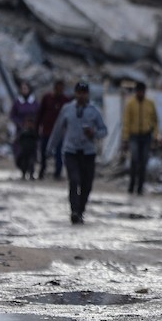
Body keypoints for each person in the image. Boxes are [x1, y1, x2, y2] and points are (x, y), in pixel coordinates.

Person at [47, 81, 107, 224]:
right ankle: (74, 211)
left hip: (88, 153)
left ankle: (81, 210)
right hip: (71, 151)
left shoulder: (94, 111)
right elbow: (58, 129)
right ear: (75, 93)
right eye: (79, 92)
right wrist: (50, 148)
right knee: (74, 180)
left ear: (87, 94)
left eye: (84, 92)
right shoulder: (67, 109)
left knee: (87, 184)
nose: (81, 95)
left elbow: (104, 130)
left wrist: (94, 133)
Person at [122, 81, 158, 195]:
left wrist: (156, 135)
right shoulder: (130, 104)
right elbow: (126, 122)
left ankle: (140, 187)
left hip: (146, 136)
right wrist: (125, 138)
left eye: (142, 91)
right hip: (134, 136)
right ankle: (132, 185)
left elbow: (155, 120)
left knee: (143, 162)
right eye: (139, 91)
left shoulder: (150, 104)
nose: (140, 93)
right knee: (135, 160)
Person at [37, 80, 71, 180]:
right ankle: (42, 170)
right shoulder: (47, 98)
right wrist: (37, 127)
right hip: (47, 130)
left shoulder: (66, 101)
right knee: (44, 152)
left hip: (60, 132)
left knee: (59, 153)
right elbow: (40, 113)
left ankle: (57, 173)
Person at [10, 81, 40, 180]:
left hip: (32, 133)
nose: (24, 90)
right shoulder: (18, 102)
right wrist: (20, 123)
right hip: (21, 132)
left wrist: (33, 124)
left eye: (26, 88)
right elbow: (12, 115)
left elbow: (39, 114)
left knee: (32, 152)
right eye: (22, 88)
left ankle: (31, 172)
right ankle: (23, 172)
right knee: (21, 152)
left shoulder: (34, 102)